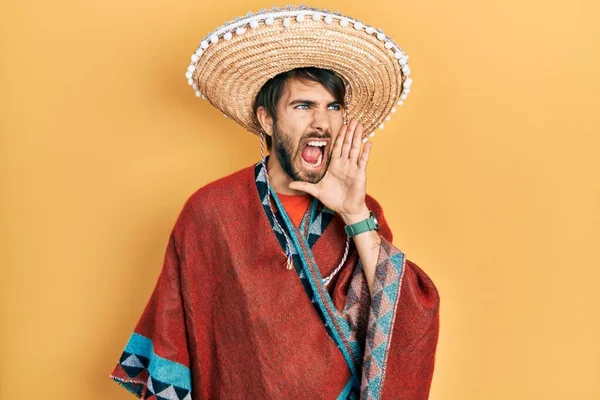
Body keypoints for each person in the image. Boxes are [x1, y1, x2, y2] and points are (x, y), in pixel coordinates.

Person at [110, 6, 439, 400]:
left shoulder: (361, 212)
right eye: (303, 106)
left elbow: (406, 320)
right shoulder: (212, 212)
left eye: (333, 107)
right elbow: (177, 330)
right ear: (267, 120)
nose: (322, 122)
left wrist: (354, 213)